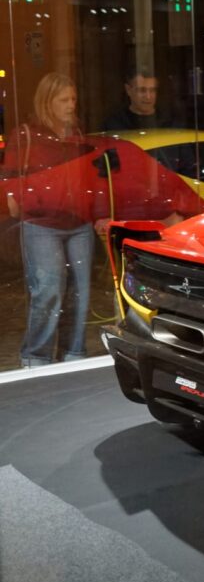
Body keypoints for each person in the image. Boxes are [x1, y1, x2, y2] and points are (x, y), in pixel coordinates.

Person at [2, 73, 107, 367]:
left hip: (78, 222)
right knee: (48, 291)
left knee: (80, 292)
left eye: (73, 99)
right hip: (42, 224)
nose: (71, 105)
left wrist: (97, 212)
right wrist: (23, 201)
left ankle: (73, 353)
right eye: (64, 100)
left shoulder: (76, 133)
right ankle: (36, 355)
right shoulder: (27, 135)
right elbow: (11, 176)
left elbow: (90, 176)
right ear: (47, 102)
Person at [102, 69, 175, 131]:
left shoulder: (169, 122)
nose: (148, 97)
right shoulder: (115, 124)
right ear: (128, 90)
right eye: (142, 90)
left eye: (152, 90)